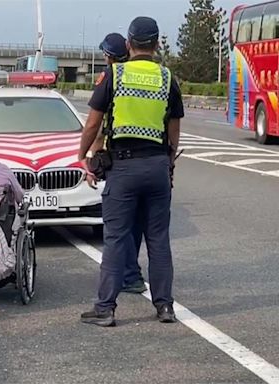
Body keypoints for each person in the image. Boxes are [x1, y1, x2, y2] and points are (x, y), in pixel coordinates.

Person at [78, 16, 184, 327]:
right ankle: (165, 307)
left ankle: (106, 309)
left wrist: (82, 155)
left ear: (128, 44)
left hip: (123, 168)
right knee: (159, 240)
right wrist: (169, 161)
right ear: (156, 44)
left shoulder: (115, 75)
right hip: (156, 167)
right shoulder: (167, 79)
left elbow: (94, 123)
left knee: (116, 239)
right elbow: (174, 126)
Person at [89, 32, 147, 295]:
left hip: (121, 161)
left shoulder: (111, 78)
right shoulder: (148, 76)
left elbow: (98, 124)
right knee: (137, 224)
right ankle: (133, 274)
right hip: (151, 159)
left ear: (109, 57)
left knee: (117, 226)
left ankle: (122, 281)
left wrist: (89, 157)